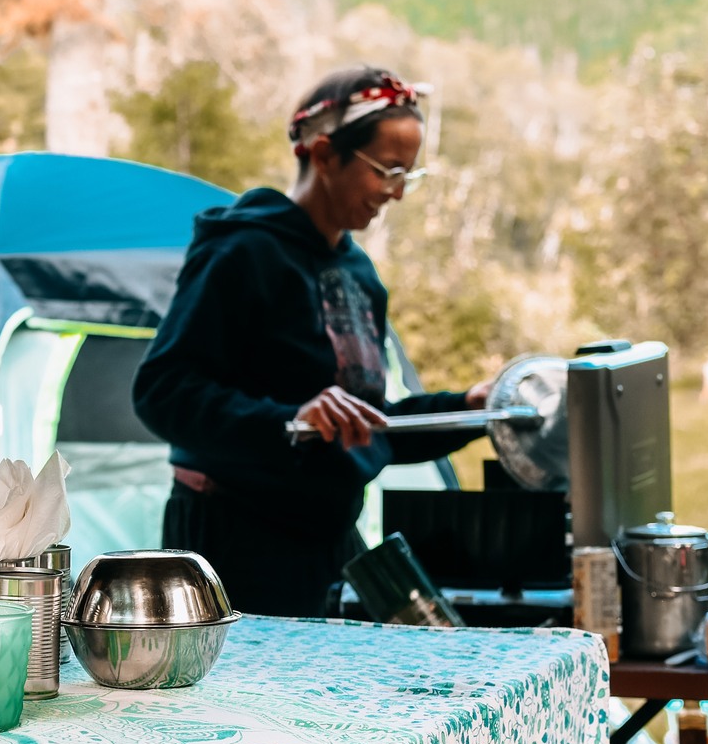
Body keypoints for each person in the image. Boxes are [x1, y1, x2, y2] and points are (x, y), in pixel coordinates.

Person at [131, 66, 491, 618]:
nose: (395, 193)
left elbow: (370, 424)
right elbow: (162, 391)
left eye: (407, 176)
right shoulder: (242, 252)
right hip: (232, 547)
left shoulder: (358, 273)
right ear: (323, 154)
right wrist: (290, 420)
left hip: (325, 548)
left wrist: (466, 411)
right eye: (386, 171)